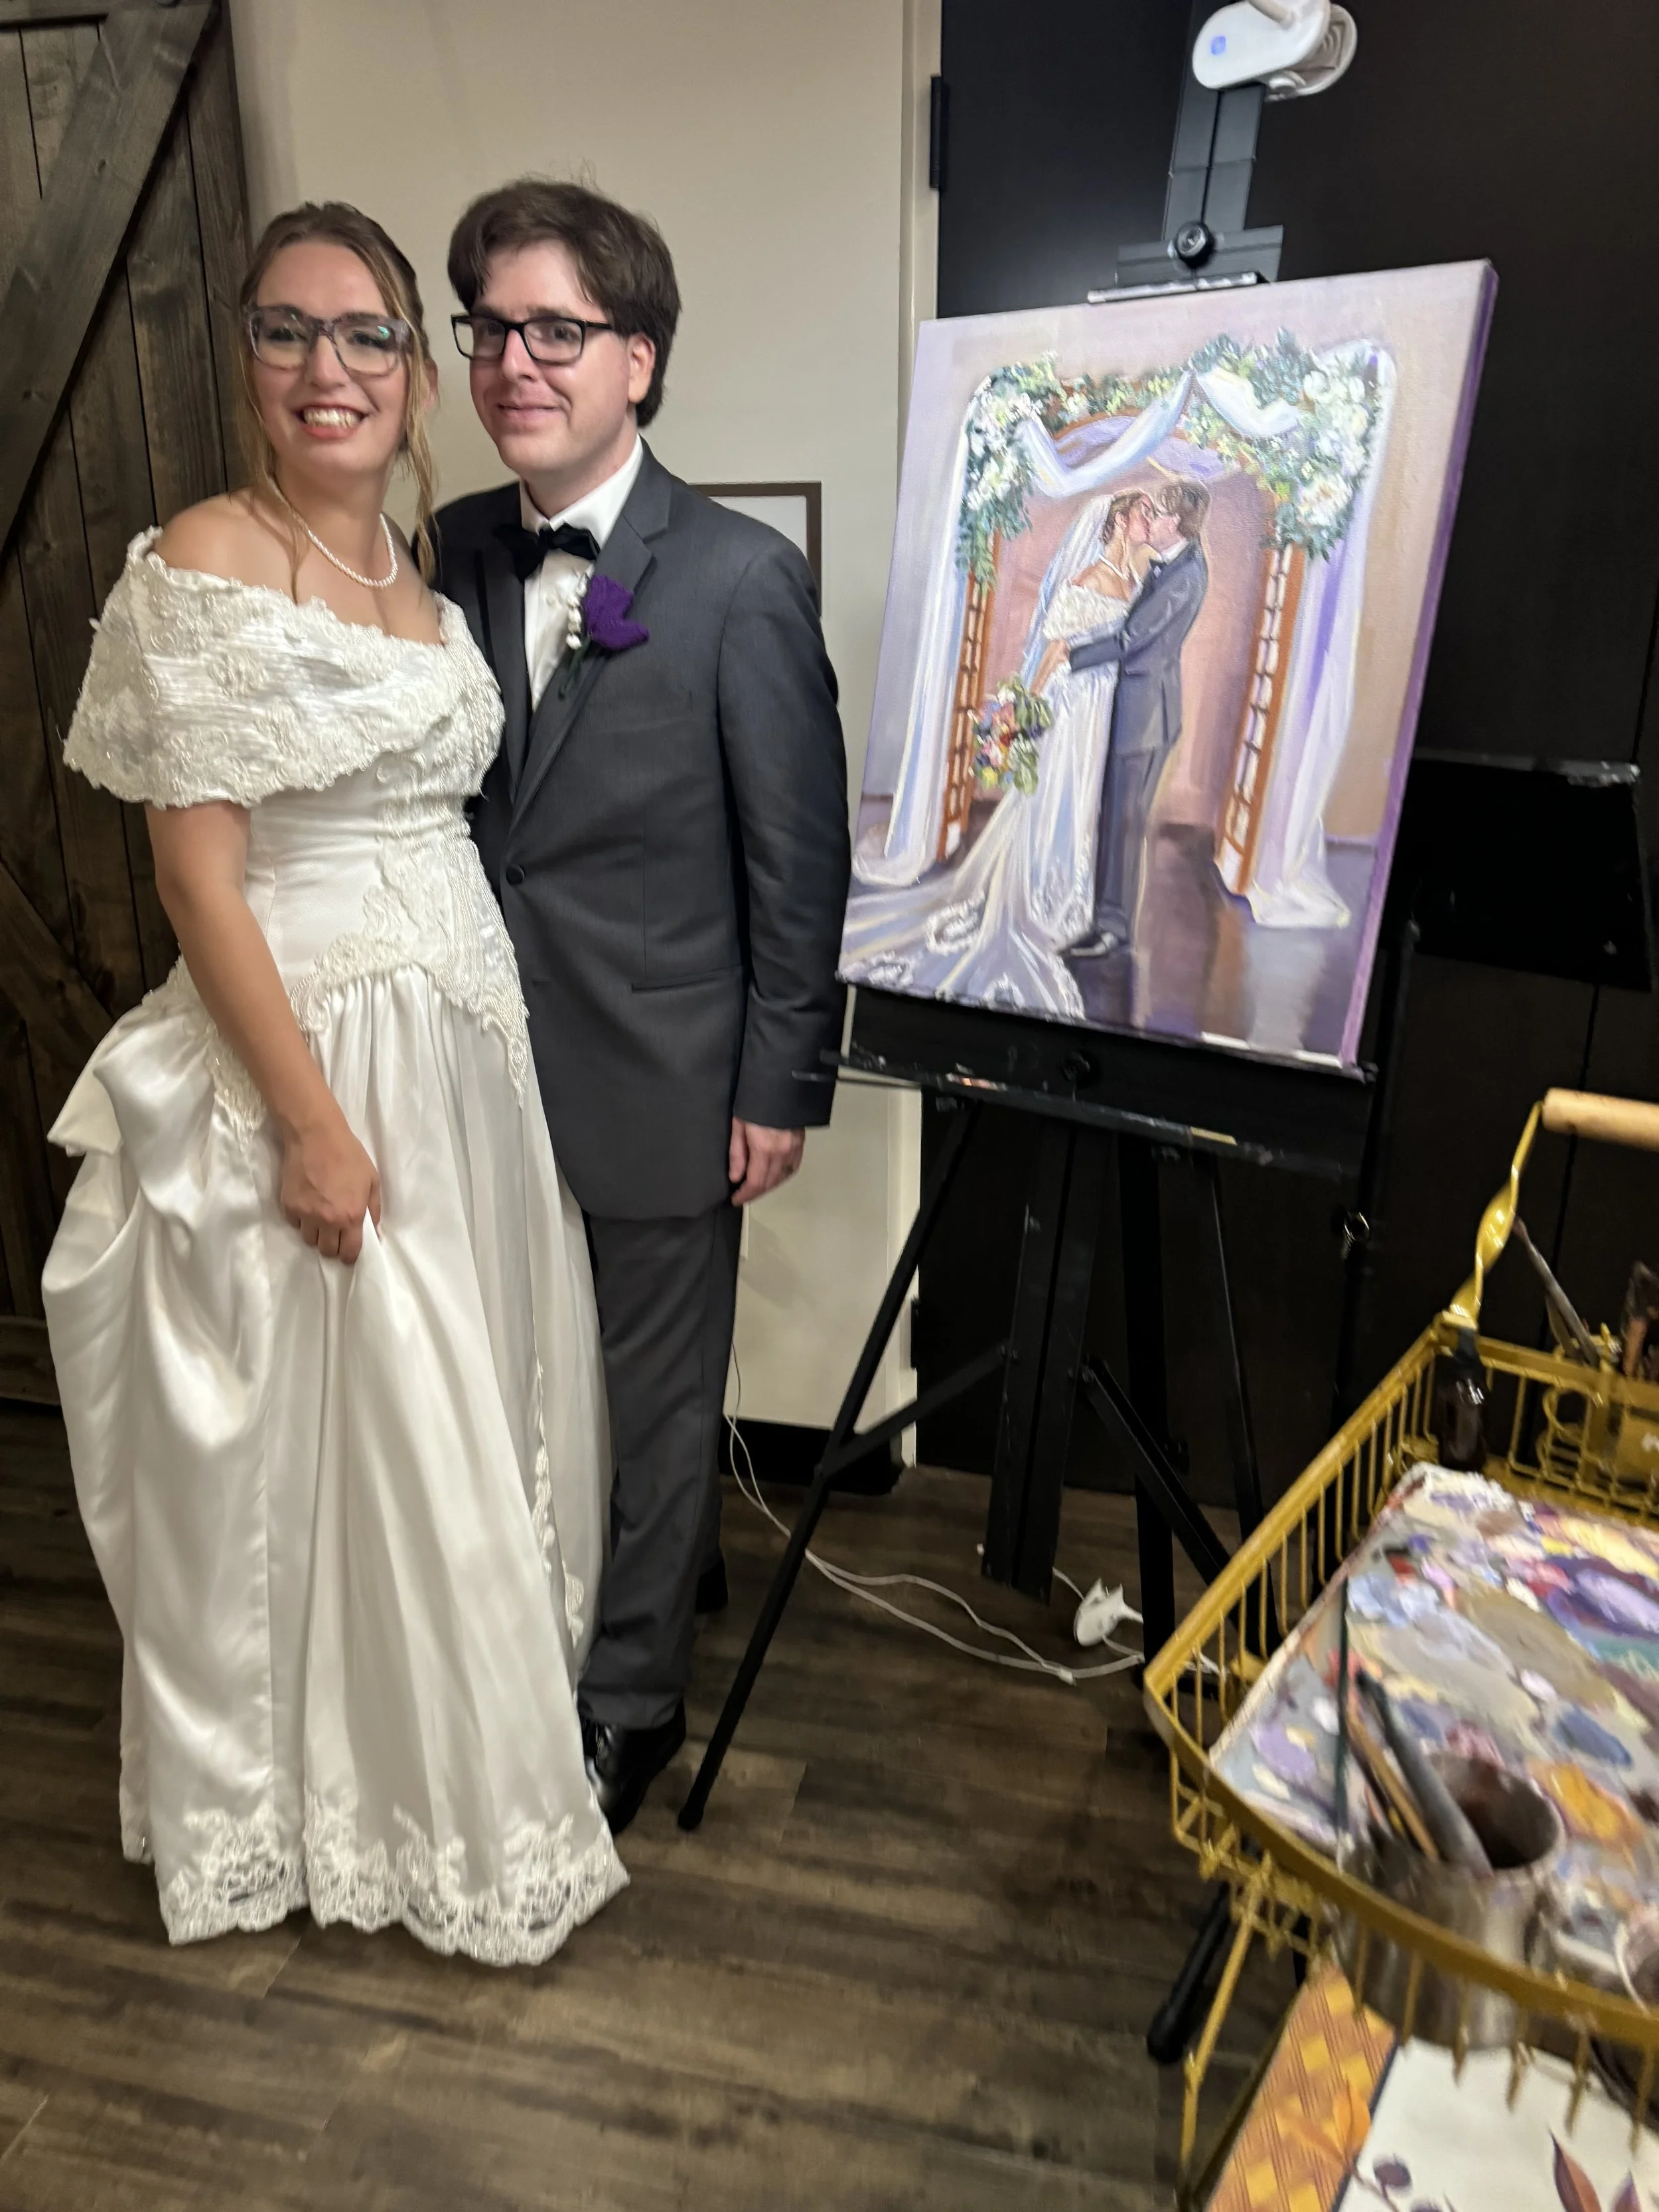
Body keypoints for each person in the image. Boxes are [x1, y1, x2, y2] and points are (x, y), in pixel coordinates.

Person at [40, 202, 625, 1962]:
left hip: (459, 1048)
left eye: (364, 333)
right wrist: (307, 1121)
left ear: (414, 372)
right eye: (288, 332)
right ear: (248, 360)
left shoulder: (420, 580)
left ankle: (424, 1771)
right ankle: (354, 1806)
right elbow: (198, 878)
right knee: (346, 1440)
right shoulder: (207, 562)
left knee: (441, 1419)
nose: (326, 369)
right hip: (319, 1054)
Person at [431, 179, 849, 1834]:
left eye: (556, 330)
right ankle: (574, 1605)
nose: (513, 360)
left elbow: (797, 862)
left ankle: (631, 1704)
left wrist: (782, 1084)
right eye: (489, 327)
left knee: (655, 1396)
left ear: (640, 362)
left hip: (668, 1067)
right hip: (471, 1057)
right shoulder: (453, 543)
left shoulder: (744, 579)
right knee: (518, 1376)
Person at [839, 492, 1149, 1020]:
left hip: (1101, 706)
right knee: (1055, 799)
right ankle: (1039, 899)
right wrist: (1025, 716)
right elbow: (1054, 649)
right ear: (1120, 520)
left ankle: (1066, 900)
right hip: (1071, 706)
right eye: (1142, 513)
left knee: (1081, 805)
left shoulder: (1133, 580)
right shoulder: (1090, 578)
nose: (1148, 522)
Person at [1068, 479, 1210, 958]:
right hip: (1144, 707)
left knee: (1123, 821)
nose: (1149, 520)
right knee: (1119, 817)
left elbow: (1132, 639)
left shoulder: (1186, 574)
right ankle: (1110, 919)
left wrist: (1069, 657)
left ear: (1177, 523)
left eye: (1158, 514)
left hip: (1145, 714)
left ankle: (1112, 926)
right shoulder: (1173, 564)